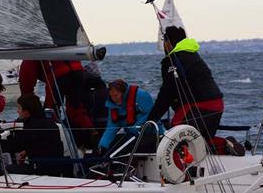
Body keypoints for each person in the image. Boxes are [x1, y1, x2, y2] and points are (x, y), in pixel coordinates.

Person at [147, 26, 242, 155]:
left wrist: (151, 120)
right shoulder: (192, 54)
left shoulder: (172, 61)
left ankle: (180, 172)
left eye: (164, 41)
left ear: (169, 42)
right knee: (197, 138)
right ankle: (226, 145)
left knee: (174, 136)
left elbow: (166, 94)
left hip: (199, 106)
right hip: (217, 105)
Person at [0, 94, 68, 176]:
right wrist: (27, 150)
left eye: (19, 108)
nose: (17, 111)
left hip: (41, 170)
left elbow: (14, 146)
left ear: (27, 111)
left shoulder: (31, 127)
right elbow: (43, 144)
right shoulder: (50, 123)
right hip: (57, 167)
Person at [18, 59, 96, 147]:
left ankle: (51, 141)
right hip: (77, 69)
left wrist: (26, 100)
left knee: (50, 110)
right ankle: (90, 133)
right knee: (76, 107)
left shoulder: (30, 53)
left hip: (57, 74)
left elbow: (27, 76)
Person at [98, 79, 160, 154]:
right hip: (131, 135)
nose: (114, 99)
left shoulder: (142, 96)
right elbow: (111, 128)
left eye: (116, 95)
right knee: (110, 147)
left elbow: (151, 115)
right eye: (111, 96)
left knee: (124, 149)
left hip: (151, 134)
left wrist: (136, 128)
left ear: (123, 93)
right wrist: (102, 146)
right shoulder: (113, 105)